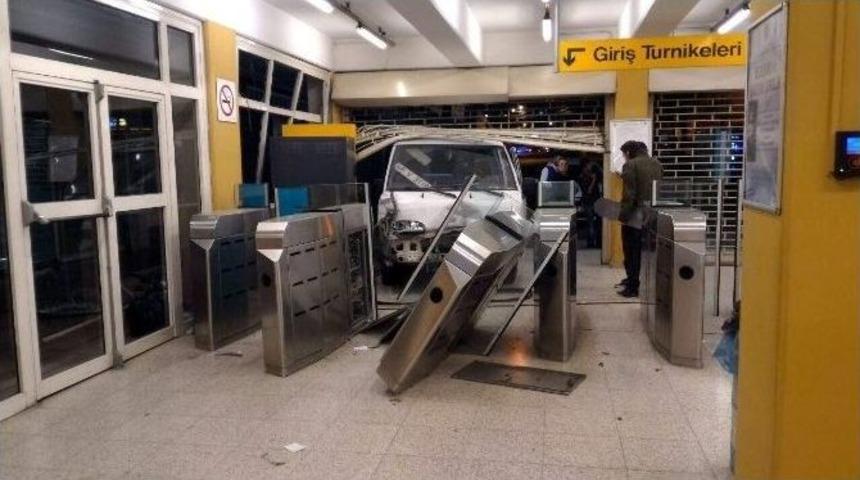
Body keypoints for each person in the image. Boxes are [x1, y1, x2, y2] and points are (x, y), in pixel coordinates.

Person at [617, 140, 663, 298]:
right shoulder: (657, 164)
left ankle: (632, 286)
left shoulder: (630, 165)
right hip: (652, 214)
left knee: (631, 251)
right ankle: (641, 282)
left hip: (634, 215)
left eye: (624, 155)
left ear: (629, 153)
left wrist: (623, 215)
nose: (624, 158)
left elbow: (629, 194)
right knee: (647, 251)